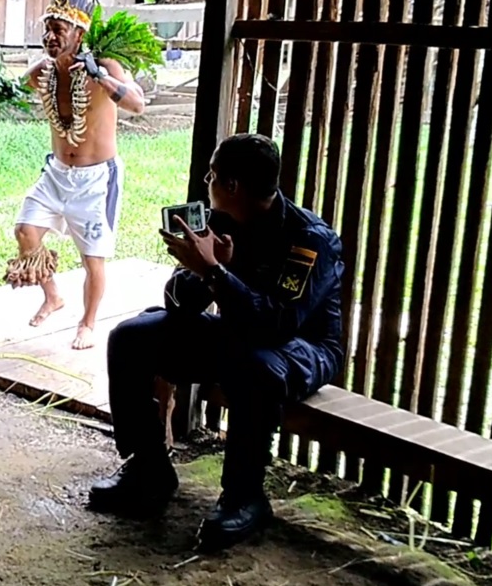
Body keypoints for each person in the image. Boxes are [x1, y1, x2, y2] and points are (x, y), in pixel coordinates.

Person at [86, 134, 345, 550]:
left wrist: (217, 275)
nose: (206, 181)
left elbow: (279, 325)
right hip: (242, 336)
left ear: (232, 186)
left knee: (255, 365)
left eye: (212, 174)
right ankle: (148, 467)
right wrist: (199, 269)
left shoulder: (309, 241)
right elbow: (179, 304)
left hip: (302, 349)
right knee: (131, 337)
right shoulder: (222, 222)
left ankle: (246, 496)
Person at [4, 0, 147, 350]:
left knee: (92, 259)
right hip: (55, 173)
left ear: (79, 33)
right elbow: (13, 91)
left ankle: (87, 322)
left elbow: (137, 103)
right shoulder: (42, 72)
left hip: (97, 178)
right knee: (25, 232)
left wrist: (98, 74)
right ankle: (53, 296)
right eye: (47, 29)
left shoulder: (105, 66)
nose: (50, 37)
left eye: (59, 29)